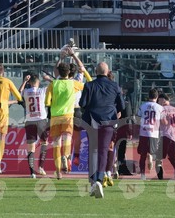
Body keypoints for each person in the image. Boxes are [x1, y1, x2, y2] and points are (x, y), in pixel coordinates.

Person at [78, 60, 125, 199]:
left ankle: (93, 181)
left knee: (93, 150)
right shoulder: (115, 86)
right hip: (109, 120)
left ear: (96, 72)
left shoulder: (89, 85)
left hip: (92, 119)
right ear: (108, 71)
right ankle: (99, 179)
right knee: (104, 151)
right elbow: (121, 105)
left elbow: (82, 103)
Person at [45, 55, 85, 179]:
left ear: (59, 72)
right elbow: (86, 87)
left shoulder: (53, 84)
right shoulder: (73, 84)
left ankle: (57, 171)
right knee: (68, 136)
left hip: (56, 115)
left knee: (56, 141)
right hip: (68, 114)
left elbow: (47, 102)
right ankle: (66, 156)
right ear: (68, 72)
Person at [20, 72, 50, 178]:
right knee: (44, 143)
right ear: (38, 82)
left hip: (29, 120)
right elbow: (54, 84)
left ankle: (32, 172)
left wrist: (24, 81)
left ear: (30, 82)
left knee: (31, 148)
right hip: (41, 119)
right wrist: (48, 78)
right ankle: (41, 167)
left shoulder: (26, 92)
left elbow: (19, 92)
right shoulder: (42, 90)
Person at [137, 87, 163, 181]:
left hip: (144, 132)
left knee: (142, 155)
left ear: (148, 96)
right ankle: (151, 157)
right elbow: (163, 121)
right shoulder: (160, 108)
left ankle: (143, 175)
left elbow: (138, 118)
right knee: (154, 152)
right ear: (157, 97)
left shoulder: (143, 106)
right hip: (154, 133)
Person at [157, 93, 175, 180]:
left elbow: (164, 122)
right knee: (172, 156)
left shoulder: (161, 110)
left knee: (159, 157)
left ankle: (160, 177)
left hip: (165, 135)